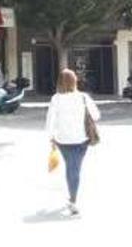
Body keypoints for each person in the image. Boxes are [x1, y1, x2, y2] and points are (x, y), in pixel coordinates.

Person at [45, 69, 101, 216]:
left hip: (62, 140)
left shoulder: (55, 99)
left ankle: (72, 198)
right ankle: (73, 200)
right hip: (81, 139)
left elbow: (50, 120)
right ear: (74, 81)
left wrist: (51, 137)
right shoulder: (83, 97)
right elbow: (96, 116)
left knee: (71, 167)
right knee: (74, 168)